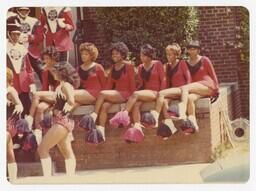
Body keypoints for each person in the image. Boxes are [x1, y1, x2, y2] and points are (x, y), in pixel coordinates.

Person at [81, 42, 136, 144]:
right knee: (105, 106)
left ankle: (94, 115)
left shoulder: (129, 67)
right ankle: (101, 131)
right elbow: (108, 86)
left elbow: (132, 84)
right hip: (116, 94)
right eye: (113, 54)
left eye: (117, 54)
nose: (114, 55)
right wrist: (101, 99)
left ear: (123, 54)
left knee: (102, 94)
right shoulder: (113, 68)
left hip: (126, 94)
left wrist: (131, 99)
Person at [116, 44, 166, 143]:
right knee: (136, 104)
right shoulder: (140, 67)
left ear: (149, 55)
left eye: (143, 55)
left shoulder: (157, 64)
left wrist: (161, 93)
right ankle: (138, 126)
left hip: (156, 93)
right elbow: (140, 84)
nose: (141, 57)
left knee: (135, 95)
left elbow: (163, 79)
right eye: (141, 55)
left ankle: (123, 115)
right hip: (145, 93)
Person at [37, 61, 80, 177]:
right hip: (63, 121)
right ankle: (71, 179)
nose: (53, 73)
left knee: (42, 149)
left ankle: (47, 179)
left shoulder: (65, 85)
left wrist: (63, 112)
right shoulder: (61, 85)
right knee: (66, 151)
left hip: (62, 122)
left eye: (55, 71)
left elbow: (71, 101)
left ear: (63, 73)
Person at [150, 43, 192, 139]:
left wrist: (188, 92)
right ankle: (170, 125)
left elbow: (189, 78)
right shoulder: (167, 66)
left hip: (182, 90)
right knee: (164, 101)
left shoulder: (182, 63)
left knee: (161, 93)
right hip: (173, 91)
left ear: (176, 55)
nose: (168, 56)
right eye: (167, 54)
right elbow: (167, 82)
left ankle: (155, 116)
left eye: (170, 54)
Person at [178, 40, 219, 133]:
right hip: (197, 88)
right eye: (190, 49)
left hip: (207, 85)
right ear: (187, 50)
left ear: (198, 50)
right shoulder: (186, 63)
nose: (192, 51)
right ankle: (194, 124)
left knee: (185, 88)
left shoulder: (204, 59)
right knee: (190, 98)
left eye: (194, 49)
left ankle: (182, 111)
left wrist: (217, 90)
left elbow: (213, 74)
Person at [25, 46, 62, 145]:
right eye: (44, 58)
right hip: (51, 96)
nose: (45, 61)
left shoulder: (61, 68)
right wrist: (43, 100)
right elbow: (45, 87)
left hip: (60, 96)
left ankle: (29, 119)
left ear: (54, 57)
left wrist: (41, 97)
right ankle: (38, 135)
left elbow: (61, 87)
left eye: (47, 58)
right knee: (40, 108)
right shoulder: (45, 71)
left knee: (37, 94)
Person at [6, 20, 36, 117]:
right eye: (13, 34)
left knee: (26, 109)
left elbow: (28, 67)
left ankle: (27, 128)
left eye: (18, 35)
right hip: (11, 84)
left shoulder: (22, 48)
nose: (15, 37)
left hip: (24, 84)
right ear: (8, 34)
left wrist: (32, 82)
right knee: (12, 110)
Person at [15, 7, 44, 82]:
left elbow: (40, 37)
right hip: (18, 50)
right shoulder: (13, 20)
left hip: (32, 51)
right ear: (18, 10)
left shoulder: (34, 21)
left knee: (42, 70)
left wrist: (29, 38)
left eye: (25, 10)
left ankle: (46, 89)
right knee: (19, 72)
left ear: (29, 11)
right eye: (21, 10)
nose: (23, 12)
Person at [6, 68, 23, 182]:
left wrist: (18, 108)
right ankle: (13, 179)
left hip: (9, 125)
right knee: (8, 152)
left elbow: (19, 105)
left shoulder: (10, 90)